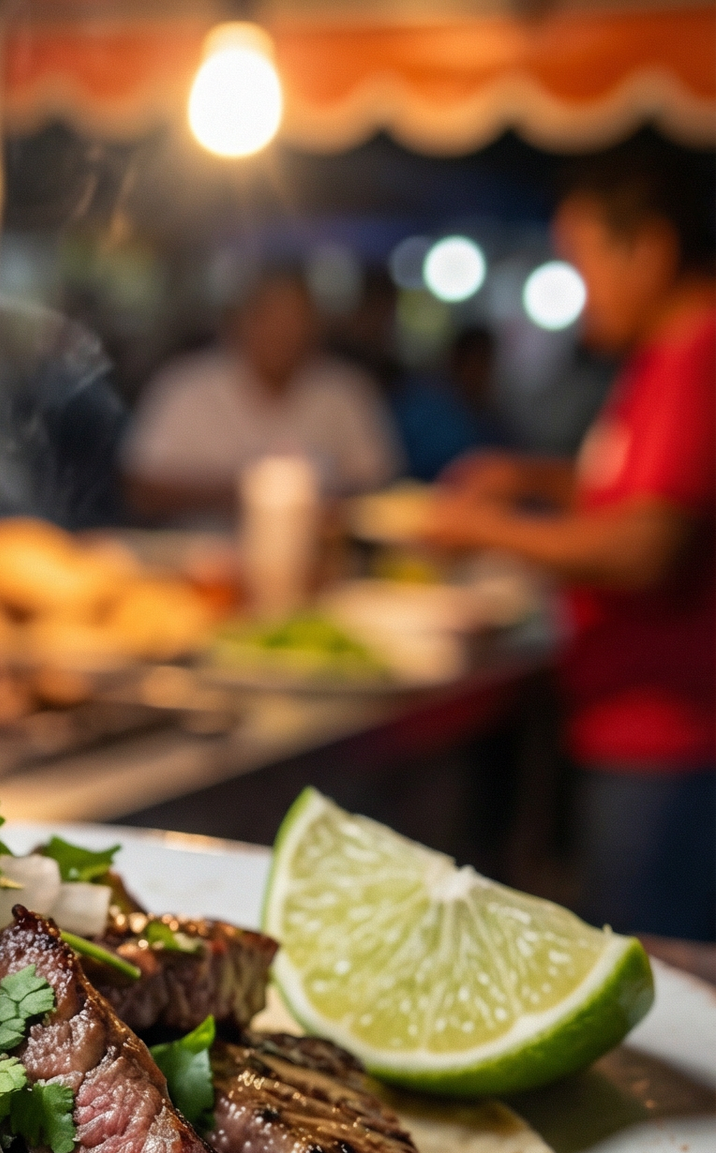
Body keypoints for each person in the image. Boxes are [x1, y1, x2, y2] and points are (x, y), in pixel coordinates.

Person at [425, 145, 715, 939]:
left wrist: (486, 529)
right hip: (639, 726)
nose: (578, 289)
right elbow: (650, 490)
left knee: (662, 982)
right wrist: (529, 477)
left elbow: (645, 548)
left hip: (669, 736)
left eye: (582, 260)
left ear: (648, 248)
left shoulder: (698, 350)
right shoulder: (664, 354)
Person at [121, 264, 400, 523]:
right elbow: (142, 487)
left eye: (296, 318)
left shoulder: (345, 390)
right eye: (269, 316)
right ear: (240, 321)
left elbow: (378, 484)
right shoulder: (186, 385)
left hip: (320, 555)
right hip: (198, 551)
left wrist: (307, 499)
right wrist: (254, 490)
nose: (283, 331)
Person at [394, 326, 509, 482]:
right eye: (476, 363)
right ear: (457, 361)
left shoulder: (490, 420)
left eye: (487, 365)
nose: (481, 374)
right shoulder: (424, 405)